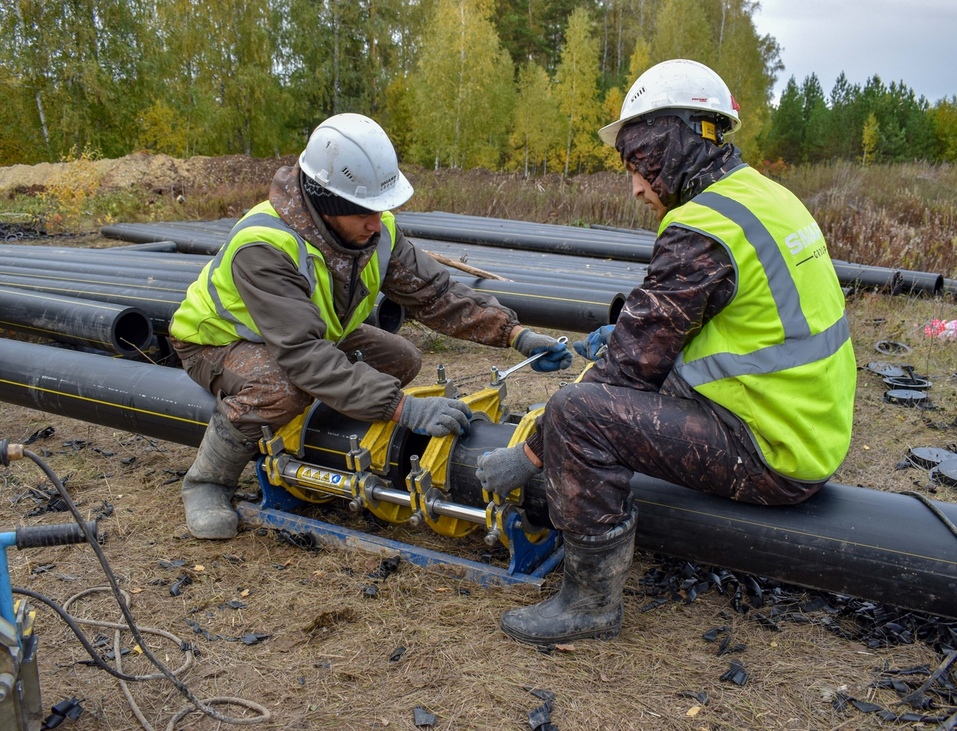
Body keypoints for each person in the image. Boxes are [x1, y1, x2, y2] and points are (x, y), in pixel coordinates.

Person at [476, 59, 856, 645]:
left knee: (575, 416)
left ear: (675, 142)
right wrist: (634, 328)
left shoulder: (701, 228)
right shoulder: (766, 198)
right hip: (808, 426)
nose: (635, 187)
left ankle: (588, 602)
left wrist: (531, 455)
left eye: (640, 163)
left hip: (770, 449)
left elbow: (628, 371)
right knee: (605, 391)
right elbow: (734, 319)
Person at [169, 112, 572, 540]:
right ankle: (208, 481)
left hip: (313, 336)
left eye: (381, 210)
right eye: (364, 212)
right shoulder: (265, 247)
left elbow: (435, 294)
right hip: (219, 343)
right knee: (281, 387)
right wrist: (406, 409)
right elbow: (304, 356)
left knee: (401, 358)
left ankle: (324, 434)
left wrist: (516, 334)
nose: (377, 224)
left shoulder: (374, 232)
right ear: (326, 202)